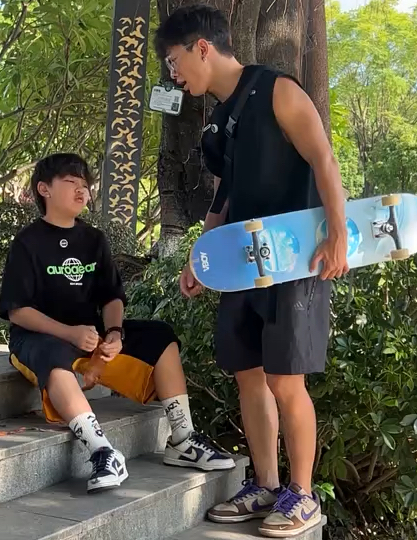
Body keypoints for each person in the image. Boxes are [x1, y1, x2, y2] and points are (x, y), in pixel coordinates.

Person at [154, 5, 348, 538]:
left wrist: (337, 233)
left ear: (201, 47)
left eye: (173, 61)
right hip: (242, 264)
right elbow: (225, 196)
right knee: (249, 375)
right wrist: (201, 257)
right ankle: (264, 484)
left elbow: (324, 159)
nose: (174, 74)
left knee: (286, 379)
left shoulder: (277, 90)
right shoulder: (219, 119)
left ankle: (302, 494)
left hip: (295, 260)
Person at [0, 152, 235, 495]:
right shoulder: (27, 243)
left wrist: (114, 333)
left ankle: (183, 440)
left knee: (160, 336)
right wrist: (69, 333)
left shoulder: (94, 240)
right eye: (71, 182)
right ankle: (102, 451)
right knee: (51, 353)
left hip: (90, 334)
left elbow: (111, 296)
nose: (81, 191)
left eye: (85, 185)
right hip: (39, 337)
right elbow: (17, 311)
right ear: (44, 189)